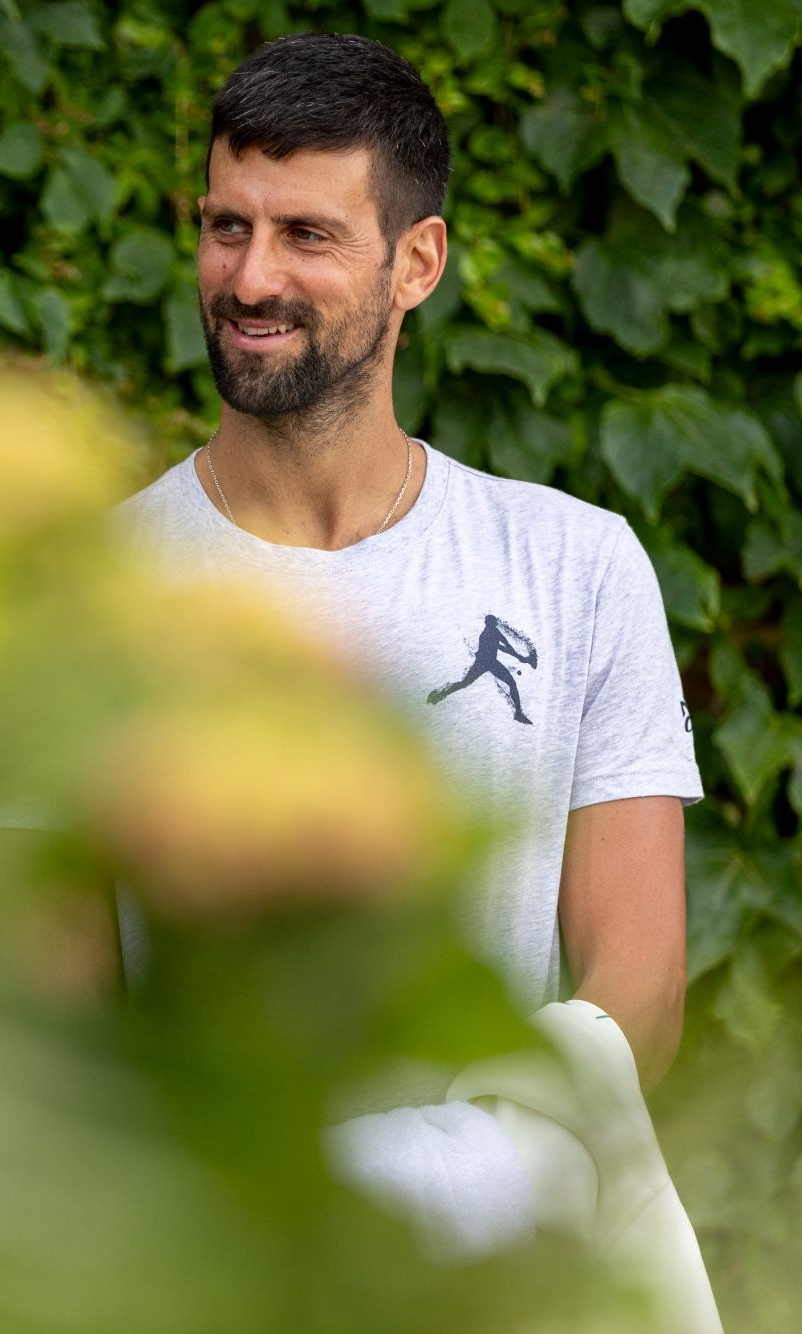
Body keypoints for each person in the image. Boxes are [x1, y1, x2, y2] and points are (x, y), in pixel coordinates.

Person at [110, 31, 703, 1109]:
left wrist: (499, 1159)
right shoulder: (91, 583)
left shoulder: (574, 564)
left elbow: (638, 987)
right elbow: (60, 1010)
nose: (250, 278)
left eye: (306, 235)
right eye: (226, 226)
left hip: (499, 1204)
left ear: (416, 264)